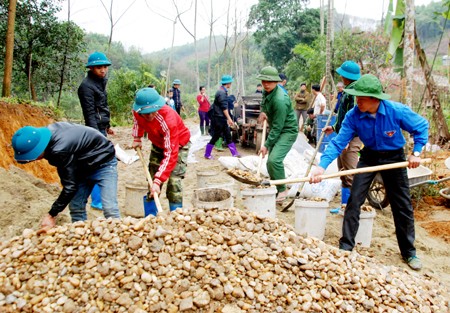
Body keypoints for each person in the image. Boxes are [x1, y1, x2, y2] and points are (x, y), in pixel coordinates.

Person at [309, 74, 429, 271]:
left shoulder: (395, 111)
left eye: (362, 98)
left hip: (395, 158)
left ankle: (409, 252)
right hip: (369, 157)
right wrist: (321, 166)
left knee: (402, 205)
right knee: (355, 199)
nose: (357, 102)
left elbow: (421, 126)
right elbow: (338, 142)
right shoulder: (353, 116)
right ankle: (346, 246)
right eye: (356, 97)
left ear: (375, 99)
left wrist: (416, 153)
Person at [11, 122, 120, 232]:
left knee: (110, 208)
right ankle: (80, 236)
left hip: (104, 162)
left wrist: (51, 215)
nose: (31, 160)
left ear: (38, 149)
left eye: (31, 157)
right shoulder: (45, 138)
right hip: (81, 166)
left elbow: (70, 187)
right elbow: (70, 179)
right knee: (76, 207)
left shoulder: (59, 149)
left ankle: (118, 237)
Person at [132, 87, 191, 213]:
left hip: (178, 145)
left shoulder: (168, 120)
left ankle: (176, 216)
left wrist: (159, 180)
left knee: (174, 183)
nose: (150, 115)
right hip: (158, 143)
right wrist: (137, 137)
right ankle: (150, 216)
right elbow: (138, 121)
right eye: (146, 113)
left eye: (153, 111)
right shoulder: (137, 111)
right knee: (152, 181)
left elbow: (170, 153)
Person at [322, 61, 362, 213]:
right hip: (344, 135)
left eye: (341, 74)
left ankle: (353, 208)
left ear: (346, 76)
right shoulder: (347, 90)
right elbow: (343, 115)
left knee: (350, 172)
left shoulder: (354, 93)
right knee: (343, 170)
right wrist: (334, 127)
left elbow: (354, 118)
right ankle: (345, 206)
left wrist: (347, 138)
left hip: (351, 137)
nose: (340, 76)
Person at [78, 51, 114, 211]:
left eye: (105, 67)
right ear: (91, 68)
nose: (103, 70)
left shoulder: (100, 82)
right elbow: (90, 113)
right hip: (94, 131)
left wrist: (107, 125)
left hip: (101, 128)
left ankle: (99, 198)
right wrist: (97, 136)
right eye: (99, 67)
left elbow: (103, 107)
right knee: (98, 163)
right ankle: (96, 200)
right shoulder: (86, 87)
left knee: (101, 161)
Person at [257, 66, 298, 203]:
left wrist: (266, 144)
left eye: (269, 81)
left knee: (274, 160)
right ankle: (277, 187)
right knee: (269, 163)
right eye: (264, 81)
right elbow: (264, 103)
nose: (266, 84)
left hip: (287, 131)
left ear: (276, 82)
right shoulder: (266, 91)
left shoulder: (280, 100)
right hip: (277, 127)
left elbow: (278, 127)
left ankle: (282, 190)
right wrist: (264, 112)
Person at [204, 75, 240, 159]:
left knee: (228, 135)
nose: (230, 84)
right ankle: (207, 153)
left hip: (221, 118)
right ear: (228, 83)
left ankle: (234, 153)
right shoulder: (222, 93)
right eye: (230, 83)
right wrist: (230, 119)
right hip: (219, 118)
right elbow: (224, 108)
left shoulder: (222, 91)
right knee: (216, 136)